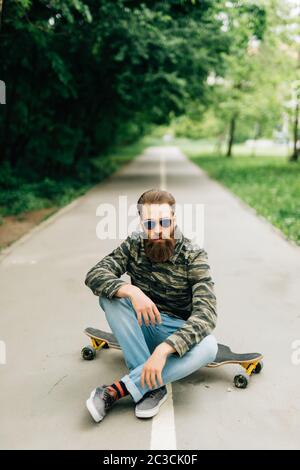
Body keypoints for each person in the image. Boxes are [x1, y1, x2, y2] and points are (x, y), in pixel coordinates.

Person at [84, 188, 218, 422]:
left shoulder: (194, 255)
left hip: (175, 333)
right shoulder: (134, 245)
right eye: (149, 224)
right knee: (110, 296)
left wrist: (164, 350)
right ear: (141, 223)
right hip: (142, 326)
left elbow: (207, 313)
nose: (157, 230)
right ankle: (152, 386)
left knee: (209, 346)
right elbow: (95, 273)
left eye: (164, 222)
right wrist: (132, 291)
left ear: (174, 220)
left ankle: (120, 389)